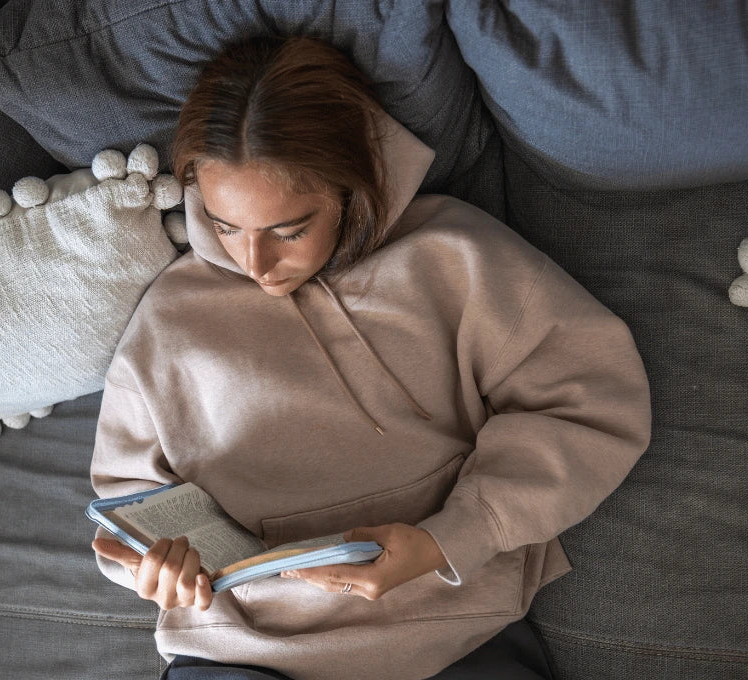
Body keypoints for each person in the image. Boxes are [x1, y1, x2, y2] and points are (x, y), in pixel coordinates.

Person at [90, 36, 651, 680]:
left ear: (352, 189)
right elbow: (128, 504)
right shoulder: (169, 318)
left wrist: (451, 538)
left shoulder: (457, 257)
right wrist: (156, 568)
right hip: (243, 652)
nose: (255, 263)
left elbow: (590, 403)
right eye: (223, 225)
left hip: (450, 626)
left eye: (289, 229)